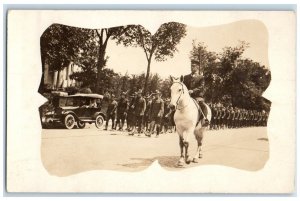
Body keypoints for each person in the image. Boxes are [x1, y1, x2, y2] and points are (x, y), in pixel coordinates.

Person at [183, 59, 209, 127]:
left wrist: (193, 90)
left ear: (197, 67)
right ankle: (172, 119)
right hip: (188, 96)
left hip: (197, 96)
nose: (192, 67)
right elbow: (184, 86)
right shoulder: (186, 77)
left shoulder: (201, 77)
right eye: (191, 66)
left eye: (194, 66)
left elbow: (201, 87)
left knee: (202, 105)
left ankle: (204, 119)